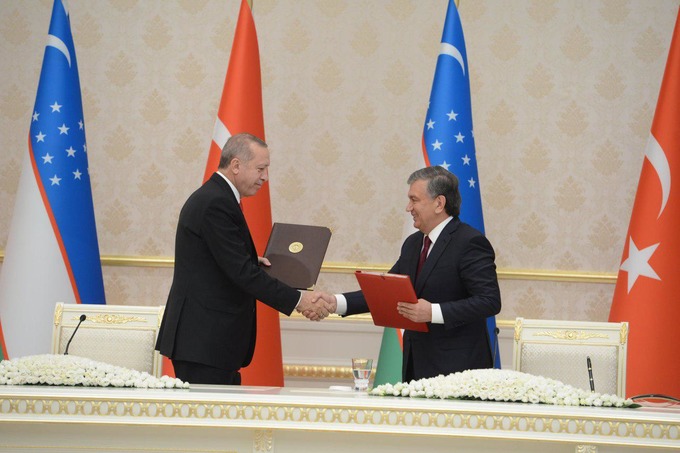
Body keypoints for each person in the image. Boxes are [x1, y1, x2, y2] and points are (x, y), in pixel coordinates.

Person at [156, 133, 332, 385]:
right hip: (204, 343)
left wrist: (249, 260)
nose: (265, 177)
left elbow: (219, 261)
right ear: (236, 165)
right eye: (260, 168)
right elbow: (241, 274)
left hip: (208, 343)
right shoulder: (216, 202)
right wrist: (299, 300)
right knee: (212, 412)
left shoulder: (218, 197)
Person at [322, 166, 501, 382]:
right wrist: (334, 302)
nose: (408, 208)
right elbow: (384, 292)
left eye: (414, 200)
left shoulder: (469, 242)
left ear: (439, 203)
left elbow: (489, 301)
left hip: (459, 371)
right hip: (416, 367)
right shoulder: (413, 243)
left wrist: (432, 312)